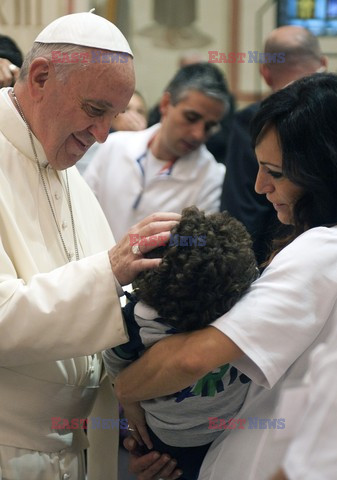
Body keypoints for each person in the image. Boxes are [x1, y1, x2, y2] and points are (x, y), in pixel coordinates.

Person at [116, 72, 337, 480]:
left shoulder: (322, 250)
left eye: (276, 172)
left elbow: (189, 358)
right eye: (258, 166)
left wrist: (122, 392)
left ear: (322, 170)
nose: (258, 186)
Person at [0, 11, 179, 480]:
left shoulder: (68, 173)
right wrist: (112, 267)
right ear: (40, 77)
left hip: (77, 447)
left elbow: (100, 326)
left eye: (113, 117)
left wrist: (138, 425)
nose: (103, 135)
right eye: (95, 110)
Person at [103, 206, 257, 480]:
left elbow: (113, 357)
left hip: (166, 438)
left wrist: (129, 401)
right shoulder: (240, 303)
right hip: (233, 428)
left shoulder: (138, 318)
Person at [84, 62, 227, 242]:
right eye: (191, 118)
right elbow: (80, 211)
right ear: (166, 104)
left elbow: (195, 247)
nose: (198, 134)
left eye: (209, 126)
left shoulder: (211, 176)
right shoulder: (114, 147)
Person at [220, 25, 327, 265]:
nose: (261, 186)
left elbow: (241, 218)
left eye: (276, 172)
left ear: (265, 73)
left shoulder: (253, 120)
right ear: (323, 63)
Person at [77, 89, 148, 175]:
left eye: (140, 111)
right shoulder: (92, 140)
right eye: (126, 110)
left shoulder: (149, 152)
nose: (133, 116)